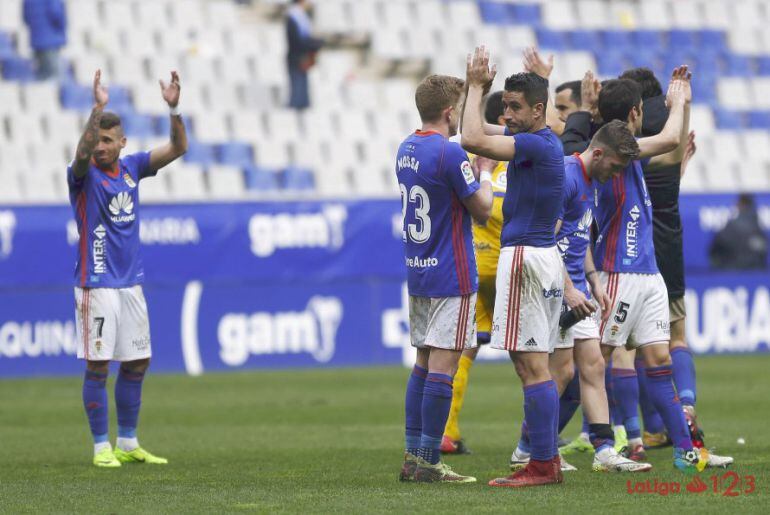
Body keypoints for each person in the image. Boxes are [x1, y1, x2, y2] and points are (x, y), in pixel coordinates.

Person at [592, 69, 732, 471]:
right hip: (618, 272)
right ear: (637, 112)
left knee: (657, 360)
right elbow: (671, 139)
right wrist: (679, 101)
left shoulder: (622, 145)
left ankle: (686, 450)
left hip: (648, 273)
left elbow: (669, 154)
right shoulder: (617, 148)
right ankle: (545, 446)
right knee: (591, 361)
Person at [509, 121, 652, 473]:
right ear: (599, 153)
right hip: (556, 287)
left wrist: (593, 281)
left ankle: (604, 449)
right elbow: (548, 238)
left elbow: (578, 236)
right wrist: (570, 289)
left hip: (578, 286)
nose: (617, 173)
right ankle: (528, 448)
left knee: (593, 365)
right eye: (616, 166)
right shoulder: (568, 177)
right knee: (560, 372)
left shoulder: (593, 181)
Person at [68, 70, 187, 467]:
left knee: (137, 362)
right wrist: (96, 110)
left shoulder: (133, 167)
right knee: (99, 364)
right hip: (95, 283)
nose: (100, 147)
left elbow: (178, 147)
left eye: (107, 140)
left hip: (130, 284)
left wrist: (173, 106)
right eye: (96, 139)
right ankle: (101, 447)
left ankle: (128, 442)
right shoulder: (82, 176)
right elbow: (82, 153)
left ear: (122, 143)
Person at [462, 46, 566, 488]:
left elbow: (471, 139)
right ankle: (545, 459)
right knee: (533, 363)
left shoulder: (533, 145)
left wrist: (473, 86)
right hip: (540, 256)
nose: (506, 114)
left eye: (515, 107)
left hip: (524, 256)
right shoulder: (544, 140)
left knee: (530, 365)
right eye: (503, 105)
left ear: (538, 110)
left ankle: (543, 464)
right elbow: (482, 128)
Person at [396, 74, 493, 484]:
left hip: (418, 272)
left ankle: (413, 454)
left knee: (422, 363)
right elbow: (483, 209)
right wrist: (484, 171)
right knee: (443, 365)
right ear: (451, 112)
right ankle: (430, 461)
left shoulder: (406, 148)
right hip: (451, 273)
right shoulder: (449, 155)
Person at [441, 91, 505, 455]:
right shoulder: (518, 159)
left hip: (473, 266)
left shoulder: (466, 158)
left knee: (464, 349)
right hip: (511, 267)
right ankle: (541, 439)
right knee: (535, 355)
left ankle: (447, 431)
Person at [710, 194, 769, 269]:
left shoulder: (729, 228)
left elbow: (714, 253)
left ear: (739, 206)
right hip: (754, 275)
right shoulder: (759, 231)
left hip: (732, 274)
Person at [286, 0, 324, 109]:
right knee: (298, 94)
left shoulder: (300, 16)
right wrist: (316, 44)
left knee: (302, 95)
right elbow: (297, 41)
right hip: (297, 58)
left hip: (302, 57)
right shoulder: (294, 17)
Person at [23, 0, 67, 80]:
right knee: (58, 78)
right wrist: (61, 30)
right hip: (51, 41)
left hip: (36, 42)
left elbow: (25, 18)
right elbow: (57, 14)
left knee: (41, 78)